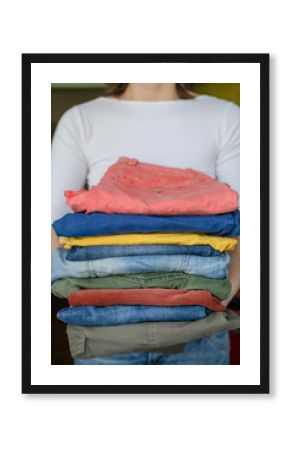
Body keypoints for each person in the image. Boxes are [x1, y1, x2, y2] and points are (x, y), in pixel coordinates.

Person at [51, 83, 240, 365]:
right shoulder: (82, 119)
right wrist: (84, 295)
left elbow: (257, 219)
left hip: (200, 326)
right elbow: (49, 220)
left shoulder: (225, 116)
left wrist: (221, 297)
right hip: (107, 331)